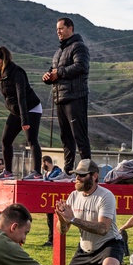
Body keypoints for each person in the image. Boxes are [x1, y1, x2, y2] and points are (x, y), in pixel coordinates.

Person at [41, 159, 130, 265]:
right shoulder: (73, 196)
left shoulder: (105, 196)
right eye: (76, 175)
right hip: (86, 247)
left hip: (109, 243)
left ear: (94, 176)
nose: (77, 179)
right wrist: (62, 218)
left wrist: (73, 219)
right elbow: (63, 230)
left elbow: (103, 228)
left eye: (82, 175)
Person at [0, 46, 43, 180]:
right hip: (16, 111)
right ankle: (8, 172)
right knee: (6, 140)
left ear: (4, 60)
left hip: (31, 108)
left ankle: (37, 173)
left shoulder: (17, 73)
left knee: (31, 139)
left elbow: (21, 96)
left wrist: (25, 120)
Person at [42, 17, 91, 175]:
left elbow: (81, 66)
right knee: (66, 138)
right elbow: (54, 71)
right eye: (57, 29)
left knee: (79, 136)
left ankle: (87, 171)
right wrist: (48, 77)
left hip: (76, 97)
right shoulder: (58, 52)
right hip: (60, 98)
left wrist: (59, 72)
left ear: (70, 28)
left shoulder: (79, 47)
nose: (58, 32)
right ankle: (68, 170)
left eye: (61, 28)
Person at [40, 155, 63, 246]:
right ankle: (50, 239)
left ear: (46, 162)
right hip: (48, 201)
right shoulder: (45, 174)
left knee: (55, 221)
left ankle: (54, 239)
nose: (42, 166)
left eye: (42, 163)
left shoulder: (57, 172)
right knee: (49, 221)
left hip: (55, 200)